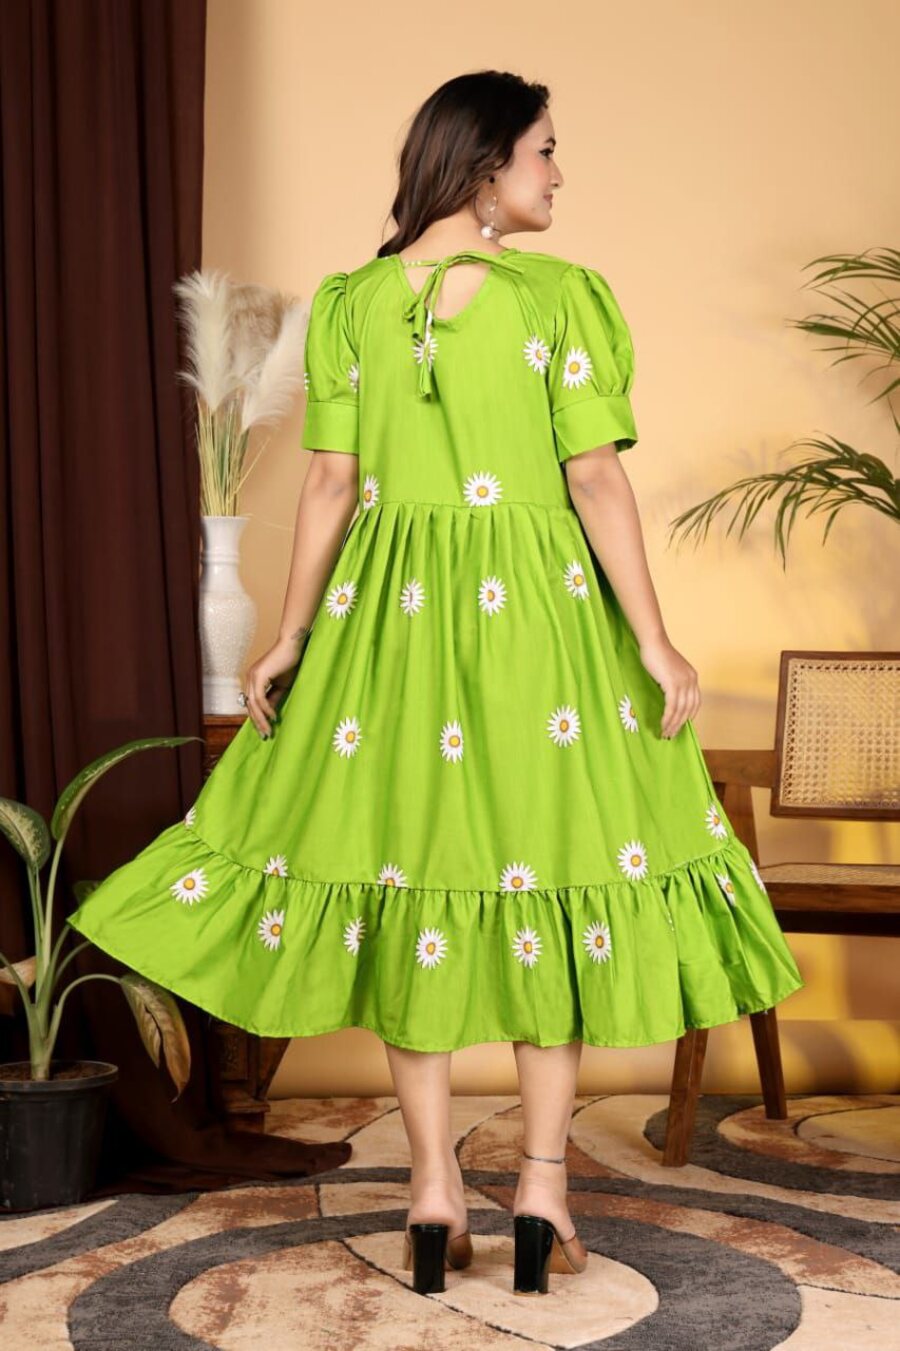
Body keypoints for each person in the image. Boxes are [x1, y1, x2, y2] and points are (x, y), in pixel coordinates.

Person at [67, 69, 804, 1297]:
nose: (559, 175)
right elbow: (595, 479)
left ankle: (430, 1191)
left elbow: (330, 484)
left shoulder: (352, 302)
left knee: (410, 875)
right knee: (554, 869)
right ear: (485, 164)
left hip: (390, 623)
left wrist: (292, 632)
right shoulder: (560, 297)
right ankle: (543, 1189)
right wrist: (656, 640)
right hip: (544, 626)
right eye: (546, 151)